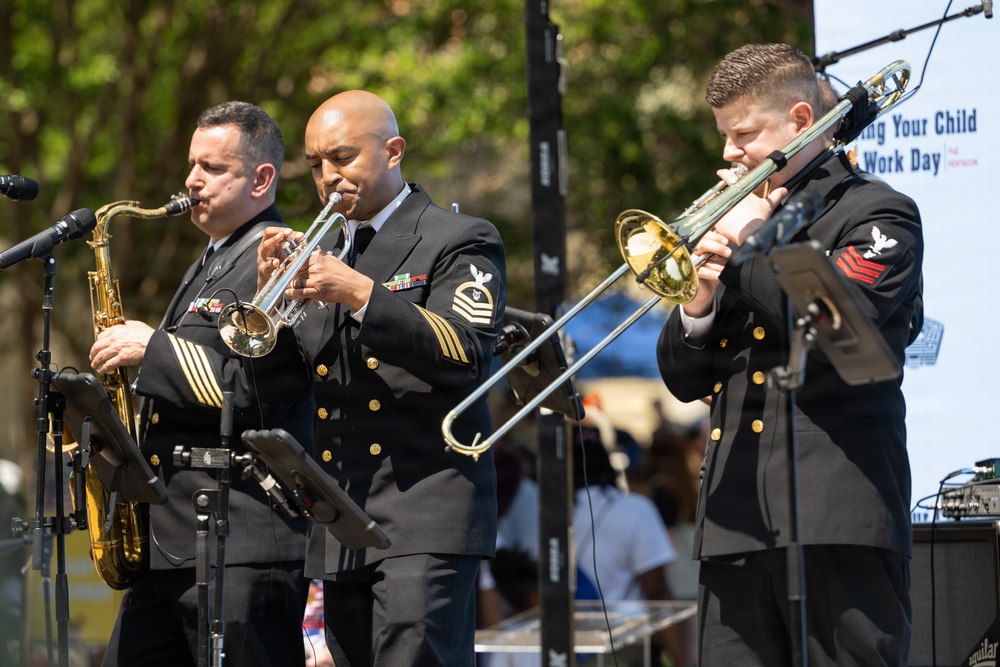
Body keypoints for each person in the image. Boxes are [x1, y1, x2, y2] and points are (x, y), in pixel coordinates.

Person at [656, 43, 923, 666]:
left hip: (837, 514)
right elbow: (683, 379)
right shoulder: (735, 222)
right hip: (733, 521)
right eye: (724, 135)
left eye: (743, 133)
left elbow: (838, 322)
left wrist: (749, 246)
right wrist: (697, 303)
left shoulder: (874, 211)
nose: (727, 153)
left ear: (801, 121)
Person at [250, 89, 507, 666]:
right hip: (345, 511)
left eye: (341, 157)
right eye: (316, 163)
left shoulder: (459, 237)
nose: (326, 176)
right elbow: (284, 388)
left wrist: (362, 294)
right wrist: (266, 312)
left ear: (393, 151)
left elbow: (465, 351)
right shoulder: (327, 249)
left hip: (426, 509)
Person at [90, 101, 313, 667]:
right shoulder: (210, 260)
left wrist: (153, 349)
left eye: (212, 168)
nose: (191, 181)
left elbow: (257, 390)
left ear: (262, 178)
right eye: (192, 164)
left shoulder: (277, 256)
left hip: (240, 539)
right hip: (175, 540)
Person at [572, 427, 688, 667]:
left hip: (567, 642)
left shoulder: (547, 513)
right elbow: (655, 589)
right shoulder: (636, 509)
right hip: (628, 643)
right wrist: (682, 660)